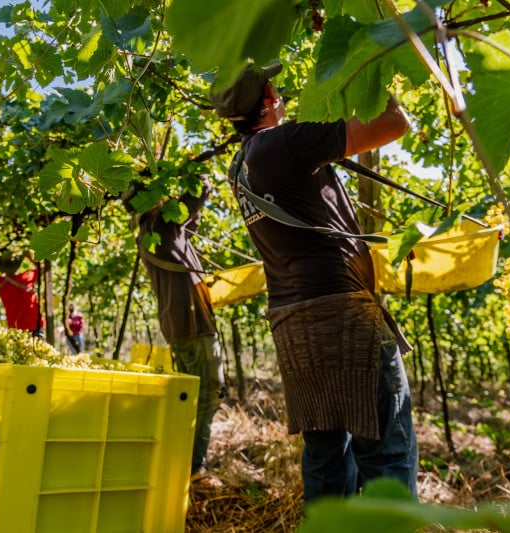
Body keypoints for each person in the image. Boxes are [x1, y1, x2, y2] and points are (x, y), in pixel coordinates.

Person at [209, 60, 418, 503]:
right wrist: (366, 65)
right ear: (268, 99)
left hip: (294, 324)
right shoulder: (282, 142)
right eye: (275, 86)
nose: (281, 91)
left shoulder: (240, 164)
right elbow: (394, 123)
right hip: (342, 317)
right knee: (387, 455)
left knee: (326, 456)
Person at [130, 177, 227, 485]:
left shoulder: (154, 232)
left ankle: (185, 462)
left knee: (194, 396)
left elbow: (189, 224)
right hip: (192, 324)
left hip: (181, 326)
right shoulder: (161, 226)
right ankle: (194, 469)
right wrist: (199, 175)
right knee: (208, 395)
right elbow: (195, 195)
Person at [0, 249, 45, 337]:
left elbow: (3, 275)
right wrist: (29, 257)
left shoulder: (0, 282)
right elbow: (43, 268)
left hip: (14, 328)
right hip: (33, 325)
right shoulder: (25, 278)